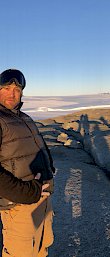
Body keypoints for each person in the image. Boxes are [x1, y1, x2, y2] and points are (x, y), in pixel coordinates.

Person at [0, 69, 55, 257]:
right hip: (18, 205)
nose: (12, 93)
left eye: (17, 89)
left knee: (41, 248)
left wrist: (49, 169)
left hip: (41, 199)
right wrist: (28, 192)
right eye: (6, 88)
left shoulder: (23, 117)